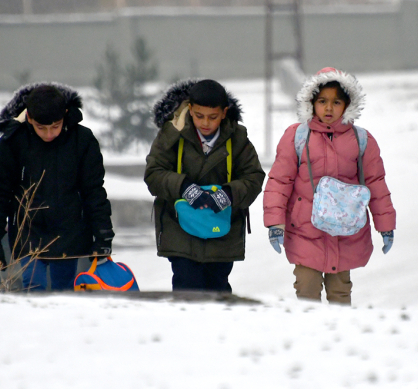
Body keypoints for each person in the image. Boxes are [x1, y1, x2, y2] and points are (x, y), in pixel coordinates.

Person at [263, 67, 396, 305]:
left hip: (345, 232)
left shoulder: (361, 140)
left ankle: (338, 340)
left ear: (347, 105)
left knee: (340, 294)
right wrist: (275, 223)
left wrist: (385, 225)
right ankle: (309, 339)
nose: (328, 108)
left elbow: (376, 184)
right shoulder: (297, 137)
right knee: (306, 291)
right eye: (322, 101)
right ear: (311, 103)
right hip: (305, 231)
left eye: (336, 102)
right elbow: (279, 181)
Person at [0, 83, 114, 291]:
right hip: (27, 233)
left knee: (64, 292)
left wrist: (103, 233)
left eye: (55, 126)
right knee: (34, 287)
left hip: (69, 233)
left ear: (65, 114)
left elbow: (93, 191)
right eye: (41, 128)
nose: (49, 134)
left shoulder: (83, 140)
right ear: (29, 118)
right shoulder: (13, 142)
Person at [144, 79, 265, 293]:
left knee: (218, 288)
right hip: (179, 227)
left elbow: (253, 176)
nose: (205, 123)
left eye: (213, 117)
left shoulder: (237, 138)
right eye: (199, 116)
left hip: (221, 230)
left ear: (225, 112)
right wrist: (184, 187)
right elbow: (154, 173)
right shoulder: (172, 134)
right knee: (186, 285)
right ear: (190, 109)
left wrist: (227, 193)